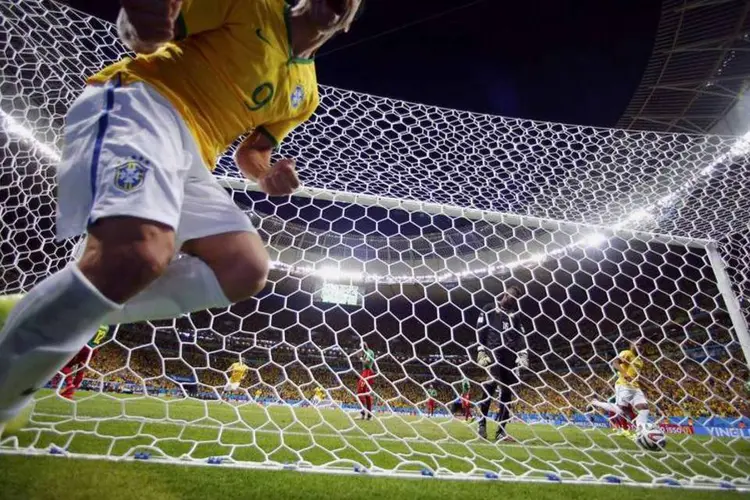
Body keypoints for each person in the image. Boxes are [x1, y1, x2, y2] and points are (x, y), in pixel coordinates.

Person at [0, 0, 363, 435]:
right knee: (139, 254)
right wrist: (139, 24)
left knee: (244, 268)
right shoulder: (253, 7)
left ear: (349, 20)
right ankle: (6, 394)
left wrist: (269, 175)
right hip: (142, 104)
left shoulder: (307, 92)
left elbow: (252, 153)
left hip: (195, 158)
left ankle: (36, 310)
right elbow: (151, 31)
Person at [475, 286, 529, 443]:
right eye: (511, 298)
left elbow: (521, 335)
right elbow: (480, 329)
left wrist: (523, 353)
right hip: (494, 351)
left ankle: (501, 431)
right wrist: (481, 350)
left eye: (515, 300)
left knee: (507, 392)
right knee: (491, 384)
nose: (512, 302)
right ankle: (482, 425)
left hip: (509, 355)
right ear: (505, 294)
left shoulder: (515, 315)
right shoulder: (489, 308)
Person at [56, 325, 112, 400]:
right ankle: (71, 391)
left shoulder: (95, 320)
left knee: (64, 365)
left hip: (84, 346)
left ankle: (69, 384)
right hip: (93, 349)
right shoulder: (106, 326)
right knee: (81, 369)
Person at [357, 341, 376, 420]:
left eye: (361, 347)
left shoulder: (369, 352)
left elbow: (367, 363)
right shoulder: (366, 353)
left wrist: (361, 358)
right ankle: (368, 415)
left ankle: (363, 413)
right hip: (366, 372)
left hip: (367, 372)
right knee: (366, 394)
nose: (361, 349)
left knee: (360, 392)